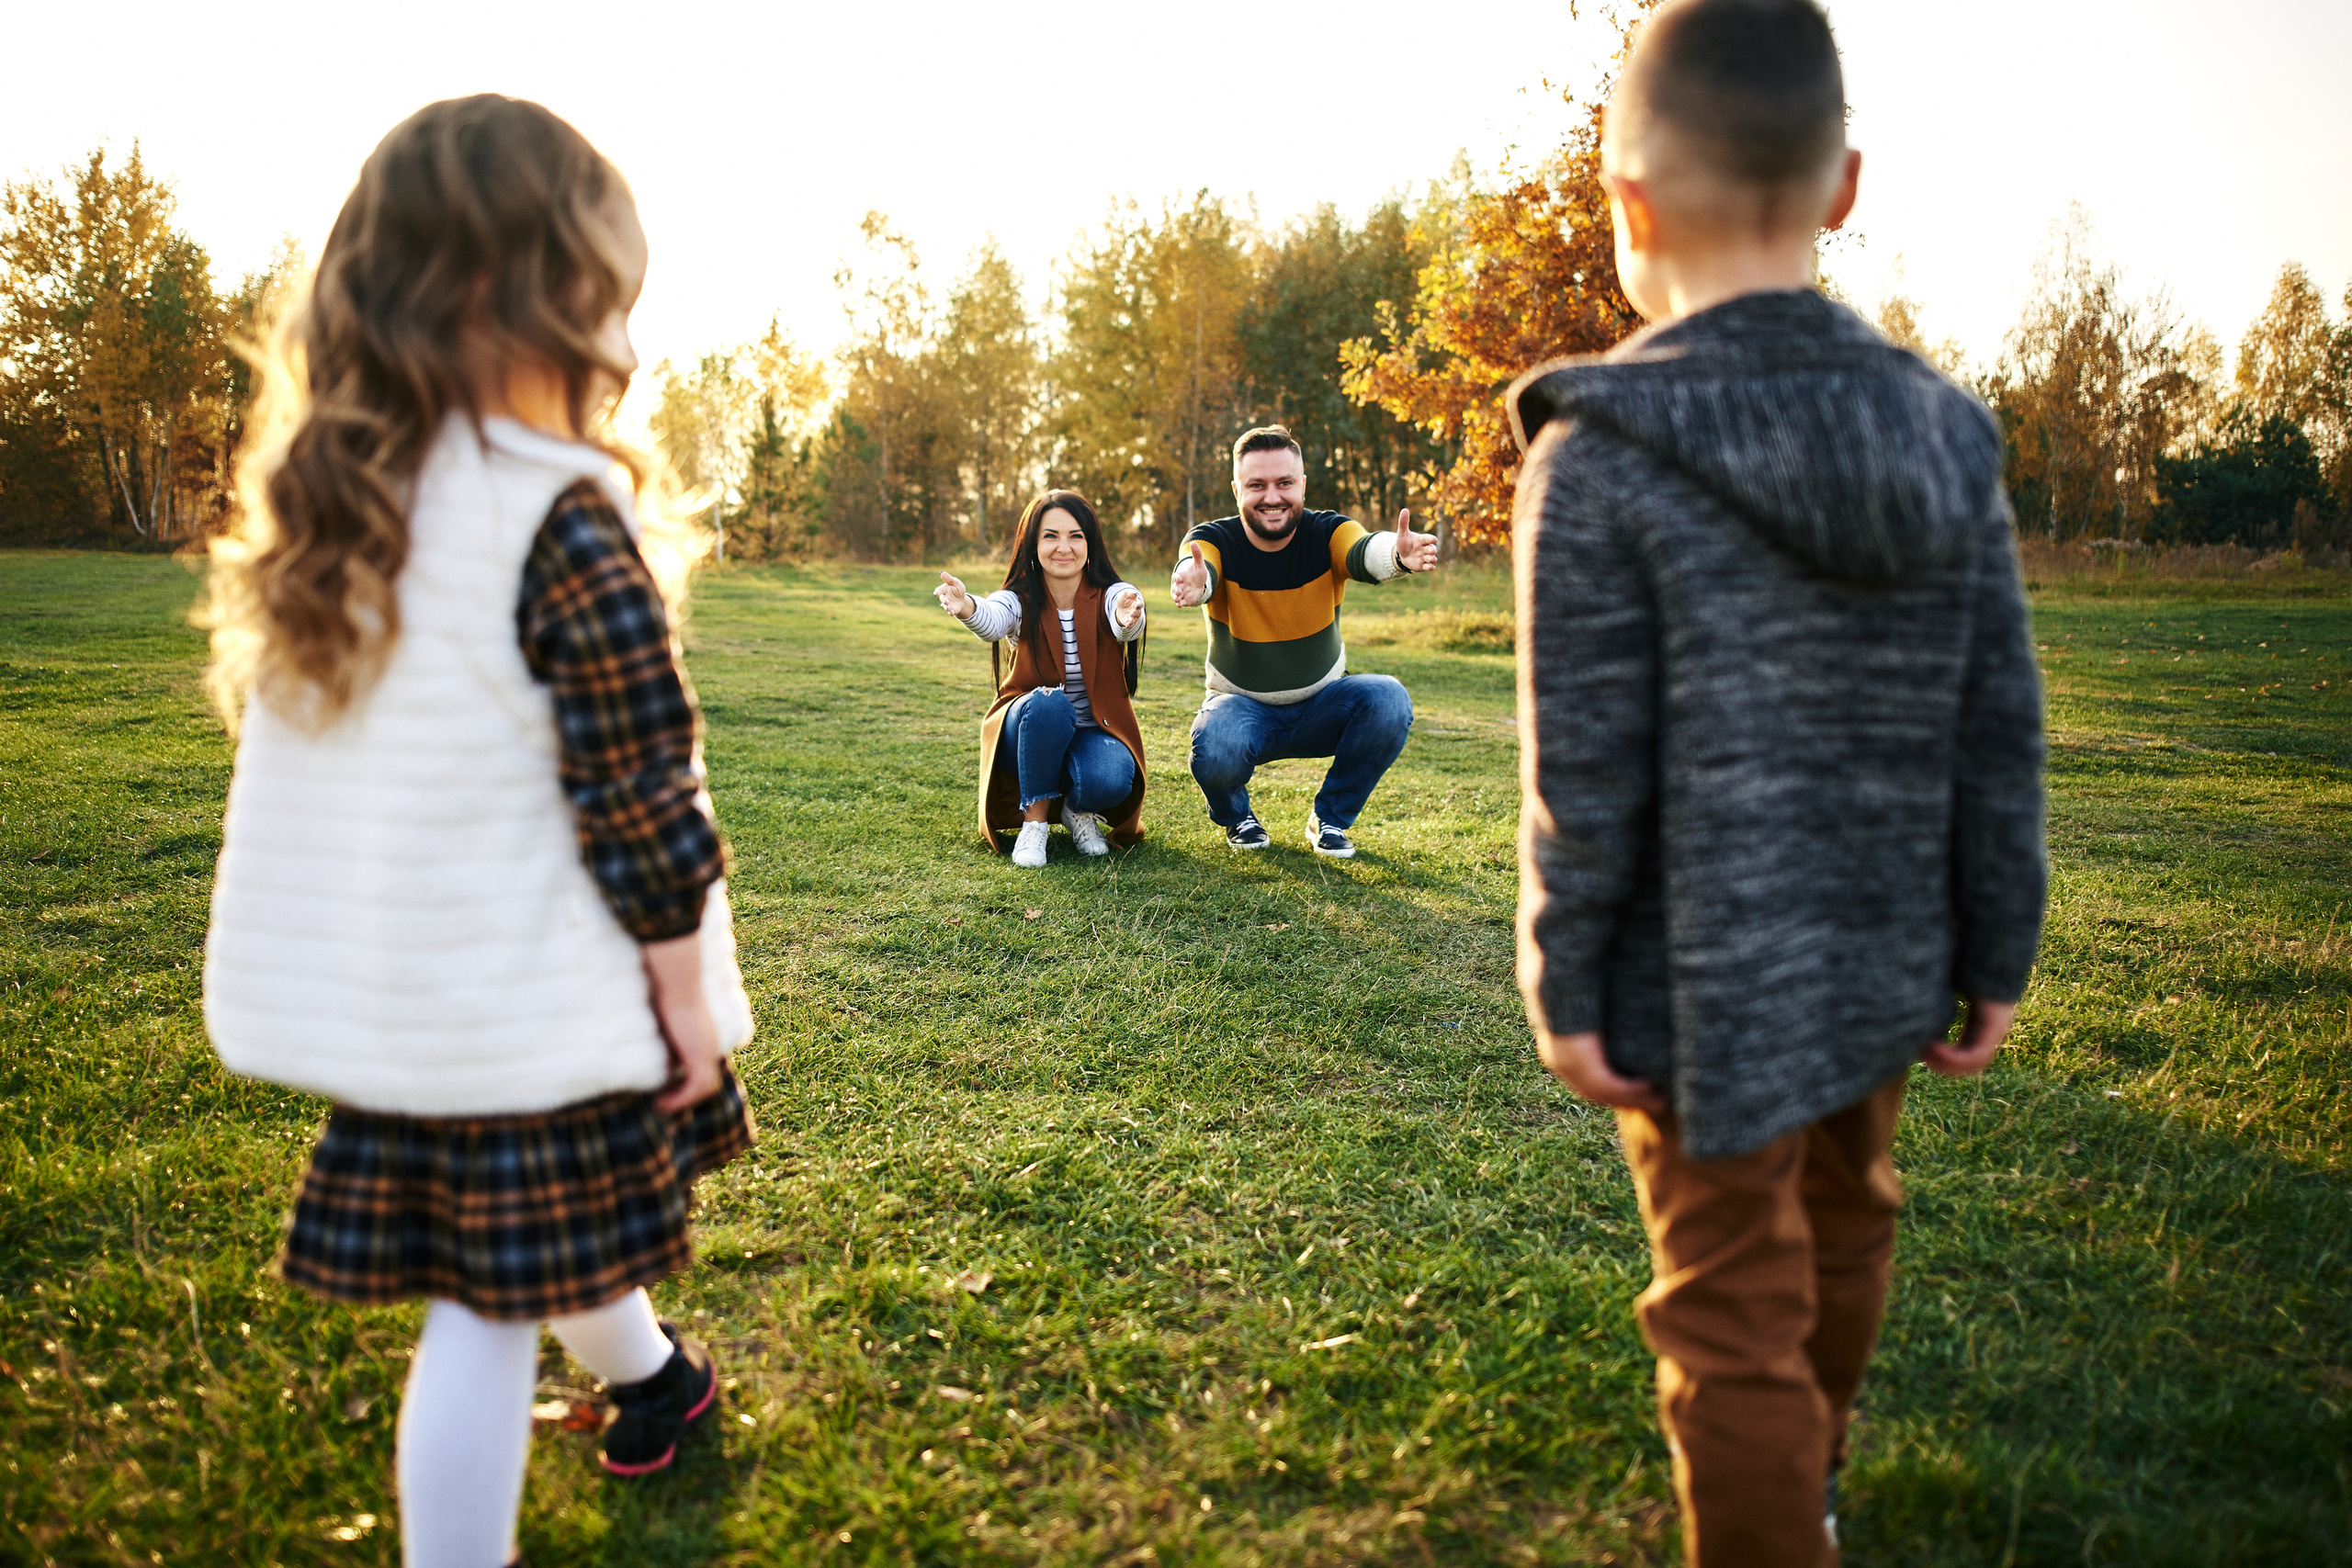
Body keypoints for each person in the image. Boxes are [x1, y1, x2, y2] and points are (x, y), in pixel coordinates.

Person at [1508, 3, 2047, 1562]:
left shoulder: (1597, 454)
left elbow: (1584, 770)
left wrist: (1564, 975)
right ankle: (1806, 1472)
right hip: (1882, 961)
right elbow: (1995, 725)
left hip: (1699, 988)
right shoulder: (1947, 439)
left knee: (1729, 1311)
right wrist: (1994, 940)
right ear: (1844, 185)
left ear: (1627, 204)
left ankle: (1772, 1504)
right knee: (1849, 1219)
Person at [200, 96, 757, 1568]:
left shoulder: (347, 510)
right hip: (534, 986)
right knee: (487, 1302)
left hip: (419, 992)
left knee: (538, 1235)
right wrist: (687, 998)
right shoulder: (557, 515)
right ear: (524, 297)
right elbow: (642, 787)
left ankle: (654, 1376)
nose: (620, 338)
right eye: (602, 298)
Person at [1169, 425, 1439, 858]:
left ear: (1303, 485)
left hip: (1323, 704)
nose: (1272, 496)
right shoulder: (1213, 539)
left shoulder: (1327, 532)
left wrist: (1395, 555)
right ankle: (1238, 817)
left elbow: (1362, 550)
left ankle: (1329, 819)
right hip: (1242, 709)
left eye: (1284, 483)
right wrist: (1193, 581)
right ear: (1237, 489)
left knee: (1389, 699)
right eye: (1257, 485)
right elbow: (1200, 567)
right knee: (1215, 741)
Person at [934, 490, 1148, 867]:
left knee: (1113, 775)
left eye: (1075, 535)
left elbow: (1125, 614)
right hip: (1031, 723)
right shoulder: (1019, 597)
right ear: (1032, 543)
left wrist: (1128, 617)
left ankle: (1077, 810)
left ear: (1090, 543)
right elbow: (992, 618)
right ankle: (1034, 824)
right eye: (1050, 535)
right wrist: (966, 606)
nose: (1063, 547)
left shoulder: (1111, 593)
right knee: (1050, 701)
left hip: (1092, 733)